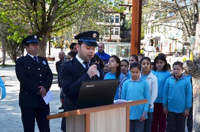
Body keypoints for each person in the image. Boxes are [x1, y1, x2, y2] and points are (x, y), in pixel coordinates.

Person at [59, 31, 104, 132]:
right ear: (78, 47)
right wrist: (87, 75)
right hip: (74, 120)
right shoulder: (66, 67)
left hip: (94, 118)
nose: (91, 51)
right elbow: (69, 91)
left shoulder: (97, 68)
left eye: (93, 48)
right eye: (88, 48)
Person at [15, 35, 53, 132]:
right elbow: (23, 78)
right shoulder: (21, 61)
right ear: (27, 48)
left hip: (43, 101)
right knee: (29, 128)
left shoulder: (43, 60)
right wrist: (38, 89)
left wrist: (45, 87)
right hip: (28, 100)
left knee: (45, 128)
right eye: (33, 45)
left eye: (37, 45)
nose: (36, 47)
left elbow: (49, 75)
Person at [163, 61, 192, 132]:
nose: (176, 71)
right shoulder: (169, 80)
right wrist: (164, 106)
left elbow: (189, 95)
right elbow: (165, 93)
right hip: (170, 108)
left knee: (181, 128)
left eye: (178, 69)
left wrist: (187, 108)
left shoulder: (186, 81)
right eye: (174, 69)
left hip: (182, 109)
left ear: (182, 69)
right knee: (171, 127)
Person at [121, 62, 150, 132]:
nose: (134, 74)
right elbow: (123, 99)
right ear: (129, 71)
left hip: (140, 113)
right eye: (132, 72)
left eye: (136, 72)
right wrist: (123, 112)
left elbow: (147, 98)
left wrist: (144, 112)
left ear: (140, 71)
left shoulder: (144, 83)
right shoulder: (126, 83)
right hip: (129, 113)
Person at [151, 55, 171, 132]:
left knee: (162, 121)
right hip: (153, 101)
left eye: (161, 62)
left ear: (164, 63)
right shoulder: (152, 73)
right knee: (153, 120)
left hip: (162, 101)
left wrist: (166, 102)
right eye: (157, 62)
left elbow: (168, 89)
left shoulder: (167, 74)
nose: (159, 64)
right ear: (155, 63)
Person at [140, 57, 158, 132]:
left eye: (147, 64)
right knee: (139, 127)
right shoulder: (137, 76)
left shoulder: (153, 78)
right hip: (138, 106)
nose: (145, 65)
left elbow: (154, 93)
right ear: (140, 65)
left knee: (147, 127)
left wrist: (149, 104)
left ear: (150, 65)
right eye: (143, 64)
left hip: (149, 107)